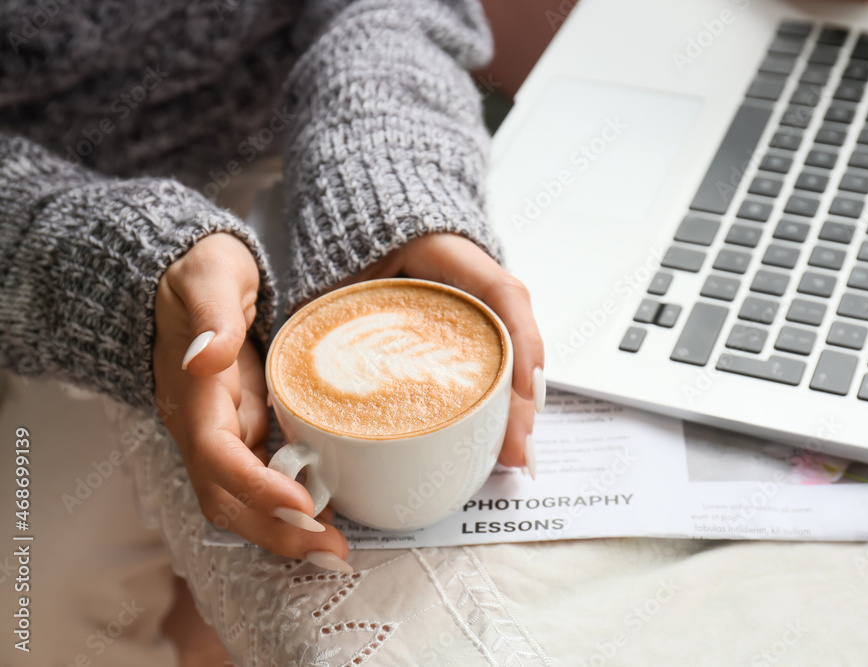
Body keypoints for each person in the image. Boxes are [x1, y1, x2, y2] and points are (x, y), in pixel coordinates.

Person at [1, 0, 542, 663]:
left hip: (308, 143)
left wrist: (386, 174)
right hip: (41, 236)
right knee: (34, 610)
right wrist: (110, 267)